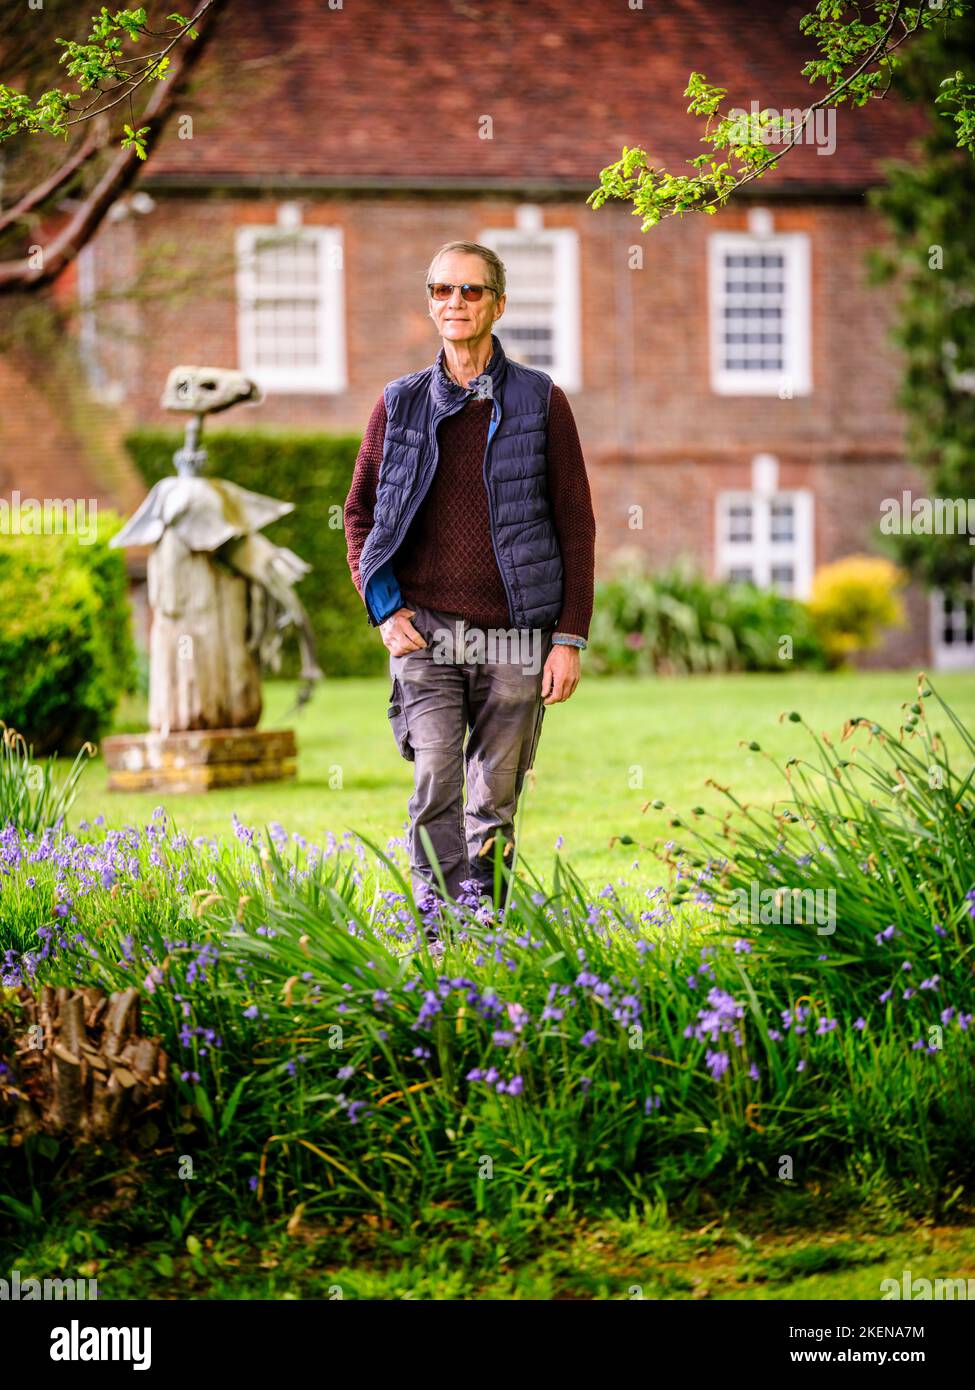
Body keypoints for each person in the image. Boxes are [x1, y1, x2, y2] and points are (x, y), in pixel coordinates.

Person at [344, 240, 596, 907]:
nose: (454, 302)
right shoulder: (398, 404)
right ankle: (434, 927)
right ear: (430, 303)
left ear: (498, 304)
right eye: (441, 291)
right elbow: (359, 514)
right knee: (436, 785)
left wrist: (568, 639)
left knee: (495, 797)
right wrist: (384, 607)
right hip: (424, 632)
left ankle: (483, 924)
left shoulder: (542, 402)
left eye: (470, 291)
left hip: (514, 635)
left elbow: (575, 523)